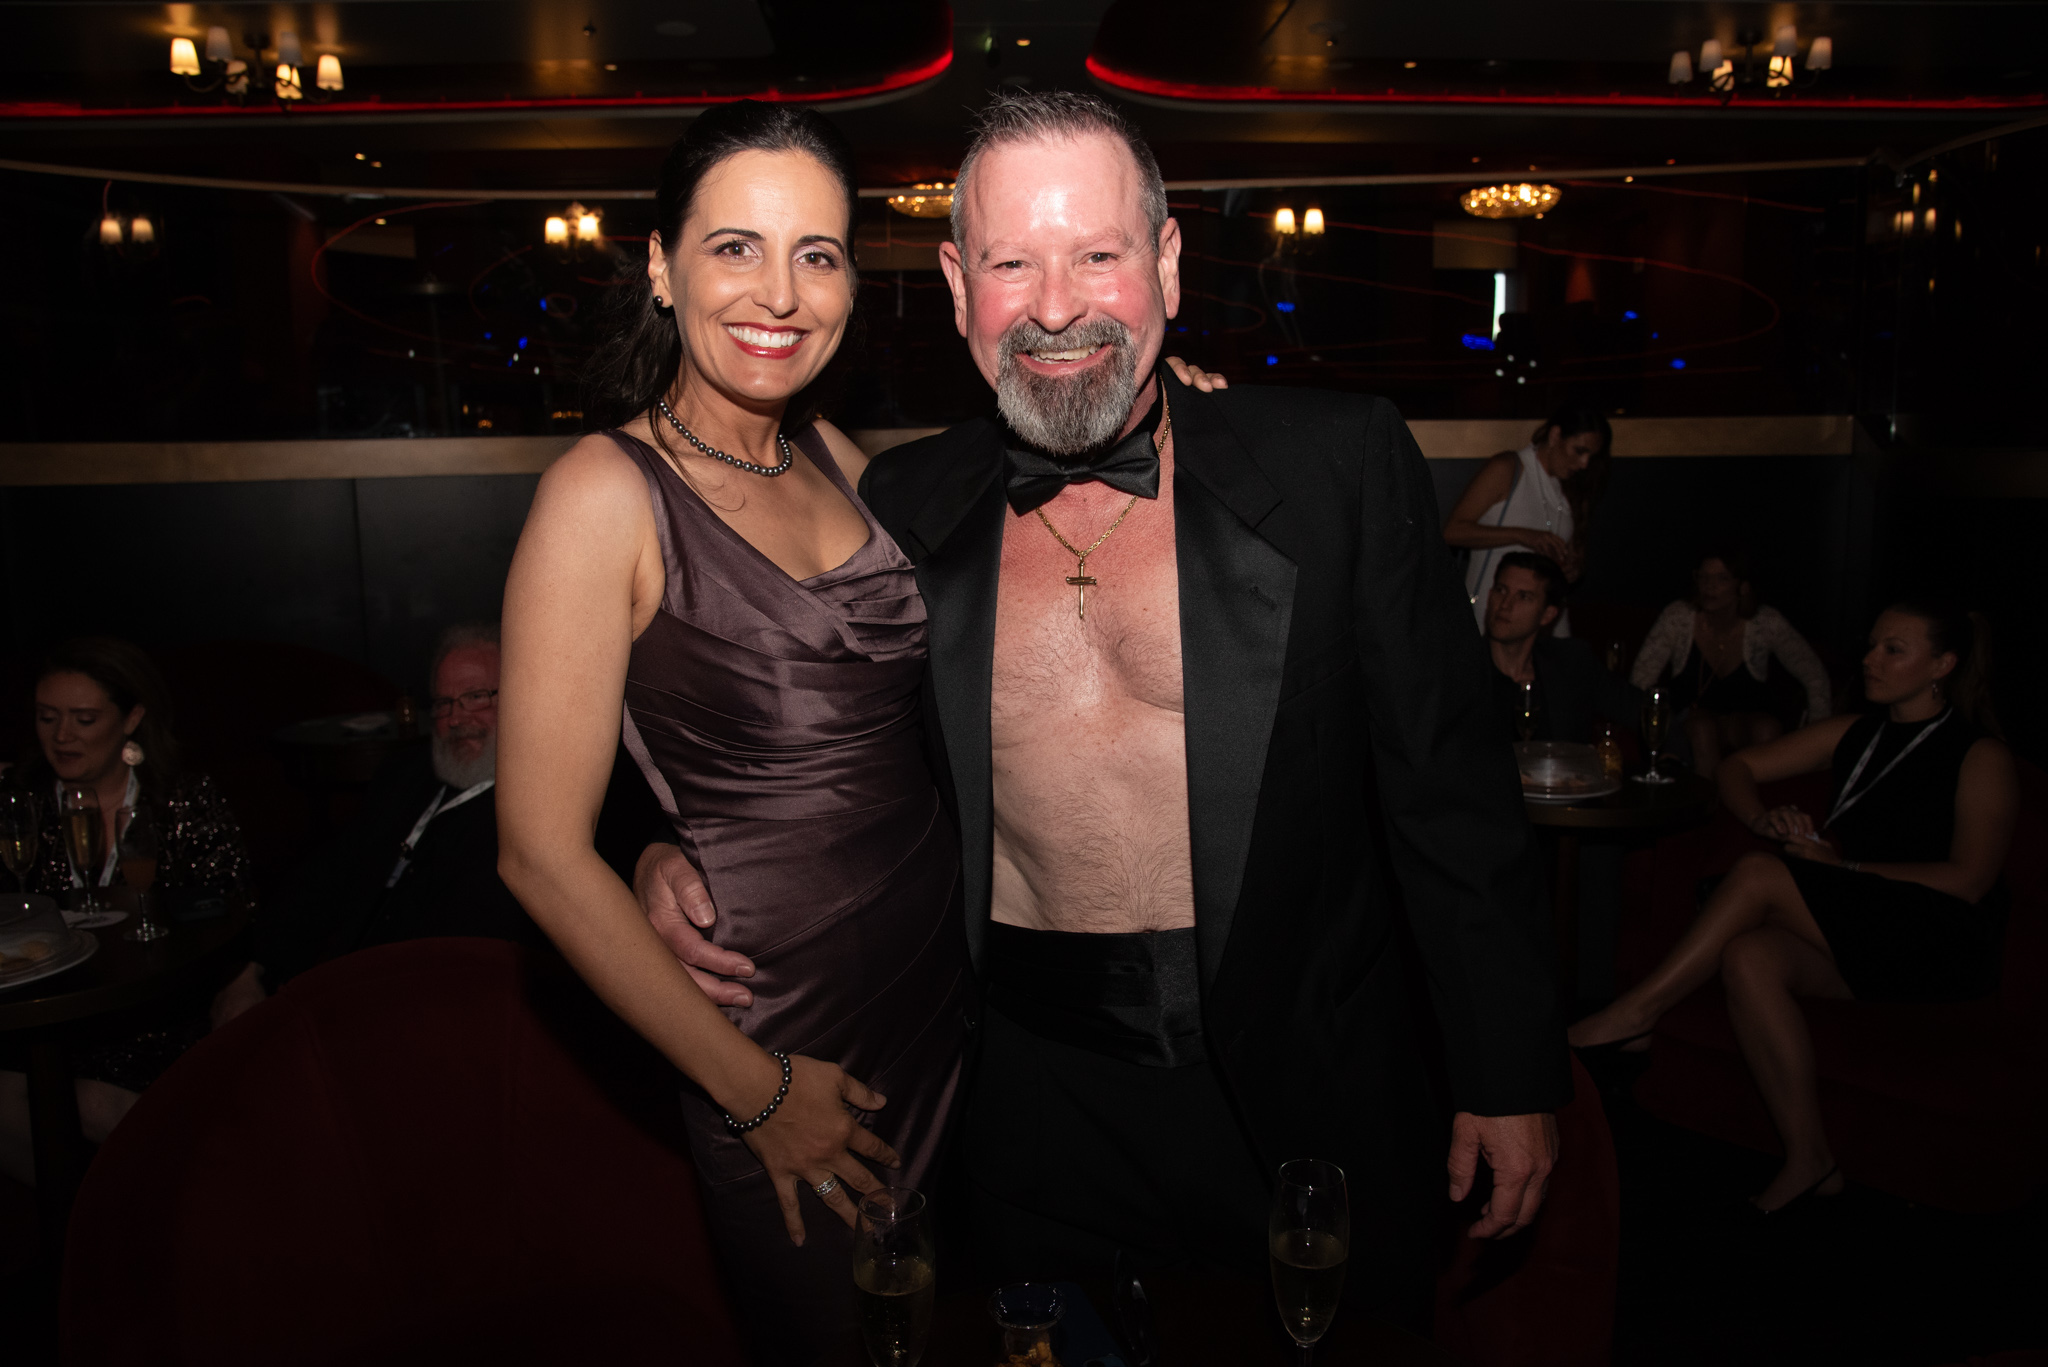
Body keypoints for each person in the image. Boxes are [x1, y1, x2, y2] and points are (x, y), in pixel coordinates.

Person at [638, 89, 1565, 1322]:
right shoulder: (901, 504)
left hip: (1303, 1085)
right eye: (1011, 263)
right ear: (958, 287)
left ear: (1166, 264)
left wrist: (1505, 1066)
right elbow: (750, 697)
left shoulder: (1334, 466)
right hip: (1023, 1103)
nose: (1055, 306)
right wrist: (654, 844)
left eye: (1096, 256)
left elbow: (1451, 793)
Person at [492, 101, 1223, 1362]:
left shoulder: (834, 457)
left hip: (946, 1008)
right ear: (661, 265)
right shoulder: (600, 493)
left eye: (816, 254)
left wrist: (1167, 400)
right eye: (734, 247)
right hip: (785, 1034)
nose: (779, 293)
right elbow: (537, 854)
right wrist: (755, 1091)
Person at [1570, 598, 2015, 1213]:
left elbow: (1969, 880)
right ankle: (1811, 1158)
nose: (1870, 659)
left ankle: (1634, 1015)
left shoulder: (1980, 753)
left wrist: (1843, 869)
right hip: (1866, 922)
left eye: (1893, 650)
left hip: (1939, 936)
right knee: (1750, 957)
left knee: (1759, 873)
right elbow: (1736, 767)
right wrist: (1762, 817)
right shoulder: (1857, 732)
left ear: (1942, 665)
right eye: (1872, 644)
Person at [211, 623, 659, 1028]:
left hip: (427, 1021)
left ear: (522, 696)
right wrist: (253, 967)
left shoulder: (548, 813)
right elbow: (328, 873)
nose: (456, 718)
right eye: (444, 703)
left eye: (477, 697)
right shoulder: (404, 776)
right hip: (326, 991)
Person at [0, 637, 249, 1186]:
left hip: (152, 1018)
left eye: (84, 719)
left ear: (132, 719)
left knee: (98, 1104)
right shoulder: (22, 803)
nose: (61, 736)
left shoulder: (180, 798)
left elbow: (232, 910)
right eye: (47, 717)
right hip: (45, 1028)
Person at [1630, 548, 1833, 778]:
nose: (1709, 586)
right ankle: (1705, 797)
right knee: (1703, 729)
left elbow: (1814, 674)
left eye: (1722, 578)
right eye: (1703, 577)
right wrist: (1647, 730)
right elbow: (1641, 678)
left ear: (1742, 587)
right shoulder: (1678, 617)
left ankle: (1757, 797)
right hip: (1692, 720)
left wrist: (1818, 739)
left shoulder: (1765, 622)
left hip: (1743, 721)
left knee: (1766, 728)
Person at [1444, 405, 1612, 635]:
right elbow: (1451, 532)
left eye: (1591, 456)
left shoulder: (1572, 488)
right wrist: (1522, 535)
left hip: (1547, 625)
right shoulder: (1508, 468)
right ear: (1555, 435)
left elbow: (1575, 553)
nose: (1584, 463)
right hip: (1492, 617)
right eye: (1579, 450)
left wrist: (1573, 567)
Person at [1486, 551, 1641, 744]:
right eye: (1501, 590)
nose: (1505, 605)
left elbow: (1645, 710)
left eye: (1523, 596)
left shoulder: (1571, 662)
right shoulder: (1459, 669)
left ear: (1547, 615)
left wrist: (1669, 755)